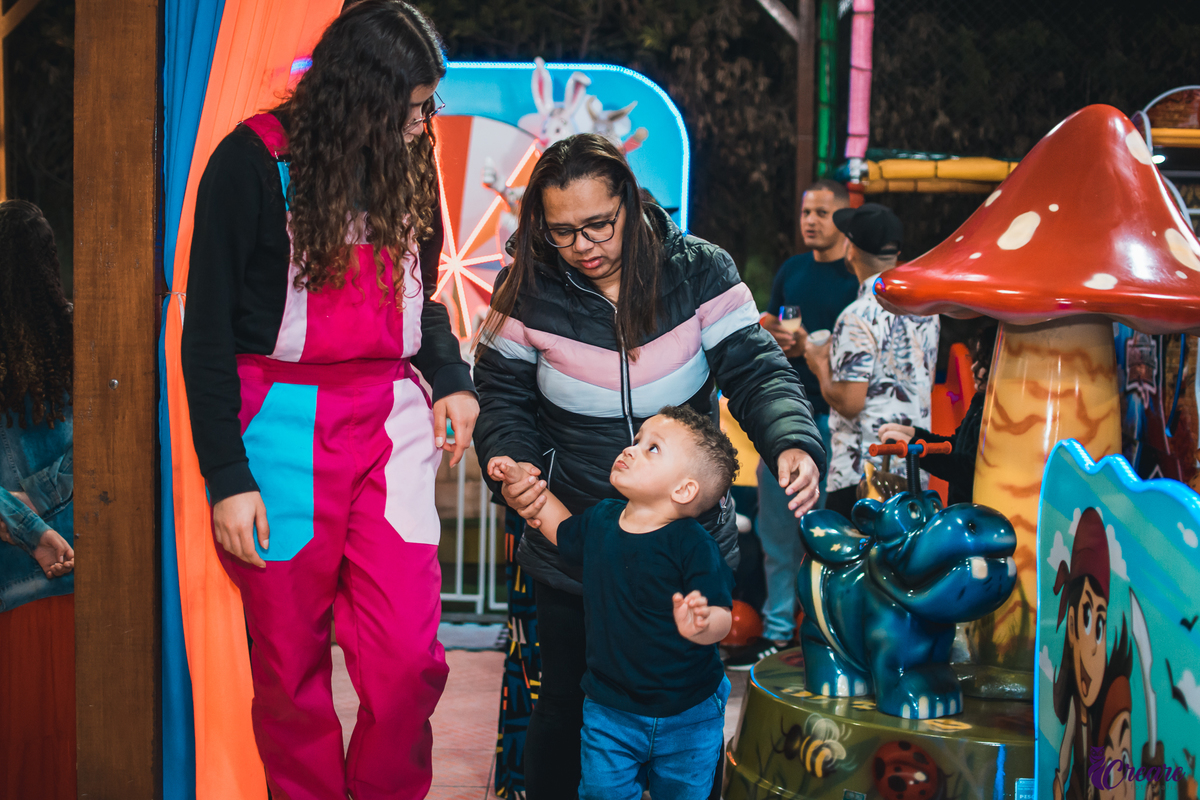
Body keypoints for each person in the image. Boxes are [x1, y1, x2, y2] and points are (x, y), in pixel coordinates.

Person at [180, 4, 479, 798]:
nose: (426, 124)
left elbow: (424, 302)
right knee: (288, 671)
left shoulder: (410, 162)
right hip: (278, 426)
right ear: (364, 98)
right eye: (416, 108)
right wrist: (227, 477)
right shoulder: (249, 161)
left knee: (410, 663)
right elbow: (203, 333)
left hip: (388, 421)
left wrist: (450, 377)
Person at [473, 133, 824, 798]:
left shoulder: (700, 272)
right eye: (563, 232)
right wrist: (510, 462)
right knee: (566, 712)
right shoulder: (524, 289)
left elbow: (755, 368)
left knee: (689, 713)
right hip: (577, 546)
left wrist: (791, 441)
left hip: (687, 551)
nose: (584, 245)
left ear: (630, 204)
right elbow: (501, 394)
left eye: (599, 224)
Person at [489, 405, 736, 800]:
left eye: (653, 448)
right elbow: (558, 527)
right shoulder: (602, 519)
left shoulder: (693, 544)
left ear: (684, 490)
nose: (632, 448)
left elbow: (723, 614)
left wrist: (704, 625)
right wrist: (527, 486)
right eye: (637, 440)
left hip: (688, 714)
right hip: (609, 710)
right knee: (601, 792)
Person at [726, 178, 858, 669]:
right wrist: (771, 335)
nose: (810, 221)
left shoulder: (856, 280)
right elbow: (779, 330)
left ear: (843, 219)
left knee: (830, 534)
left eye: (822, 213)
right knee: (775, 531)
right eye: (806, 212)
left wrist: (814, 350)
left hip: (837, 425)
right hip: (782, 423)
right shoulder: (792, 271)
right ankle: (779, 631)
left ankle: (828, 633)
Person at [804, 203, 939, 519]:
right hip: (912, 467)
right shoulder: (928, 312)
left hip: (861, 474)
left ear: (850, 249)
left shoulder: (857, 316)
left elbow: (851, 402)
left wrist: (820, 364)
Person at [0, 199, 75, 613]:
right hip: (77, 566)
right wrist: (40, 495)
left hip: (10, 581)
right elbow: (109, 445)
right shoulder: (81, 337)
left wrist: (19, 513)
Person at [878, 321, 997, 505]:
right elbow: (955, 445)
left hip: (978, 510)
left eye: (982, 362)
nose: (973, 368)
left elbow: (964, 468)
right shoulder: (980, 402)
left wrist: (916, 447)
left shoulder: (994, 413)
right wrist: (915, 434)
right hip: (961, 505)